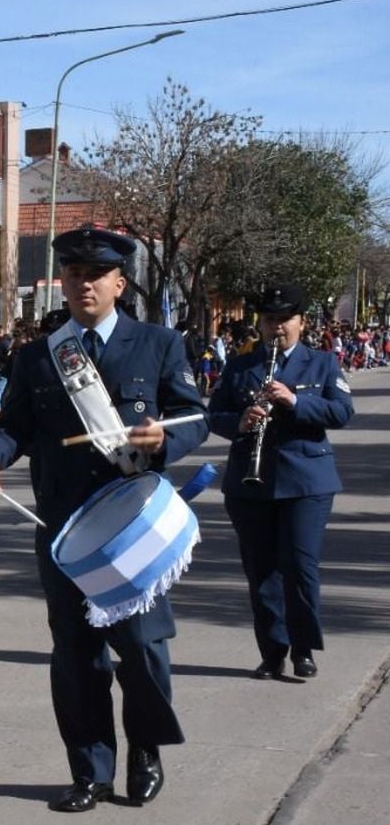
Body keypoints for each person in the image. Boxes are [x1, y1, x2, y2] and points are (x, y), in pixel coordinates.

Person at [0, 226, 207, 812]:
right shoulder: (39, 355)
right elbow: (15, 425)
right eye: (72, 274)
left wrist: (161, 440)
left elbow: (193, 416)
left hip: (133, 527)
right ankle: (90, 771)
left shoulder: (158, 343)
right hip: (66, 527)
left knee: (143, 648)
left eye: (94, 274)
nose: (82, 283)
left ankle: (145, 748)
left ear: (119, 283)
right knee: (76, 655)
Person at [206, 284, 353, 681]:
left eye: (284, 320)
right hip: (250, 483)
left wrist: (295, 401)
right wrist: (239, 421)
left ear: (300, 322)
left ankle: (303, 648)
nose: (277, 327)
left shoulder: (321, 363)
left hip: (306, 481)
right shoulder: (240, 366)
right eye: (270, 320)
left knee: (300, 566)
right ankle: (272, 651)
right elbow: (212, 416)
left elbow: (342, 412)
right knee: (261, 571)